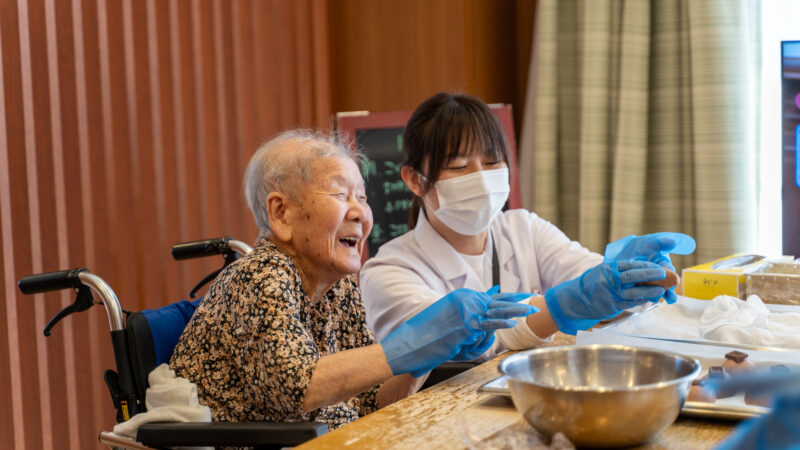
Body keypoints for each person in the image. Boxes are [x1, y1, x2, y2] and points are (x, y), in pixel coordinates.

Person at [169, 130, 536, 429]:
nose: (361, 211)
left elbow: (372, 402)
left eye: (362, 195)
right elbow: (297, 387)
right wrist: (412, 341)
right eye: (340, 194)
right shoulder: (257, 275)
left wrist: (427, 354)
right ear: (281, 213)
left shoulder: (339, 286)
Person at [360, 92, 696, 360]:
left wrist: (628, 277)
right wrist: (562, 305)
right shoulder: (389, 272)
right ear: (414, 181)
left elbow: (589, 277)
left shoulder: (523, 229)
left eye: (492, 162)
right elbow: (469, 341)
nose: (481, 178)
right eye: (460, 166)